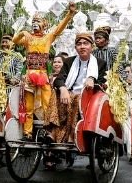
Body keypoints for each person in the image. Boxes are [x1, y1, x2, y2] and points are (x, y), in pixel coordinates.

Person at [12, 2, 77, 140]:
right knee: (28, 106)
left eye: (38, 21)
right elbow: (14, 40)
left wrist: (69, 14)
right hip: (29, 75)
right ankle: (27, 133)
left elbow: (59, 29)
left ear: (44, 25)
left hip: (43, 75)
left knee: (48, 104)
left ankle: (49, 132)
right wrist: (22, 32)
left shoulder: (48, 37)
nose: (35, 23)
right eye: (33, 21)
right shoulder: (28, 38)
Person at [43, 33, 106, 169]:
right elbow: (59, 79)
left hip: (87, 98)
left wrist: (93, 80)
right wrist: (63, 88)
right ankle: (51, 134)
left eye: (85, 43)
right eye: (79, 44)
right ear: (76, 47)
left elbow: (102, 83)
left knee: (77, 98)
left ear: (92, 46)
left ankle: (71, 136)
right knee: (56, 92)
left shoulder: (100, 63)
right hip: (68, 94)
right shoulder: (69, 61)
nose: (82, 47)